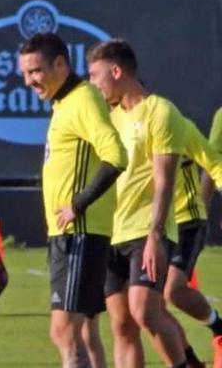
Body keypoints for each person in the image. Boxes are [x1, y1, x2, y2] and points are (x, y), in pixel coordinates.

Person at [18, 32, 127, 368]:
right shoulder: (65, 103)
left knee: (64, 330)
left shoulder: (82, 99)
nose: (29, 81)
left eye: (36, 71)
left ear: (61, 64)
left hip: (79, 233)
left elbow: (116, 155)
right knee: (85, 333)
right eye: (25, 73)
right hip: (72, 234)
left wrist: (77, 204)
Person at [87, 38, 187, 368]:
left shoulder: (161, 111)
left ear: (116, 71)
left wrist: (155, 237)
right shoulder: (109, 118)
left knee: (144, 310)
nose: (91, 84)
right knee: (121, 325)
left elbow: (165, 180)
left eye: (95, 75)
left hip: (146, 231)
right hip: (111, 233)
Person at [162, 117, 222, 368]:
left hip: (186, 219)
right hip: (145, 226)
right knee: (145, 307)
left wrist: (201, 210)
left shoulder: (171, 120)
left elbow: (213, 164)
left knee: (169, 293)